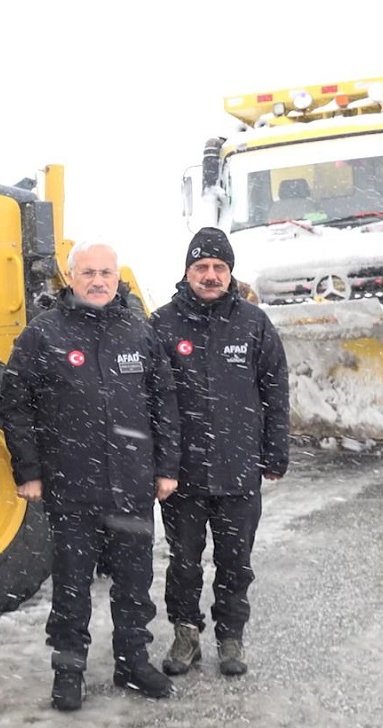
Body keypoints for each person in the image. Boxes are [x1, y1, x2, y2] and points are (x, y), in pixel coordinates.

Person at [0, 240, 181, 712]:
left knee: (134, 583)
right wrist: (30, 471)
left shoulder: (138, 333)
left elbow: (164, 404)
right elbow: (16, 406)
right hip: (70, 487)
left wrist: (166, 467)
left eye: (106, 273)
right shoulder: (44, 334)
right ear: (70, 277)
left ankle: (133, 661)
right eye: (88, 273)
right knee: (72, 587)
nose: (98, 281)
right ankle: (68, 670)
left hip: (132, 486)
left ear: (117, 278)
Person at [149, 227, 289, 679]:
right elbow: (148, 399)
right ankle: (186, 634)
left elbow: (275, 390)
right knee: (184, 563)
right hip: (182, 474)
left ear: (230, 273)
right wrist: (155, 464)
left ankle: (232, 638)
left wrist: (275, 451)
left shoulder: (253, 323)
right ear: (187, 271)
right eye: (202, 267)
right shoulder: (162, 324)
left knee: (235, 563)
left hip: (238, 469)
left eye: (219, 268)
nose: (210, 276)